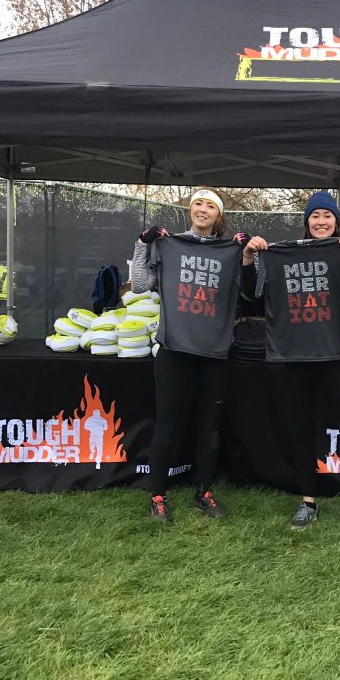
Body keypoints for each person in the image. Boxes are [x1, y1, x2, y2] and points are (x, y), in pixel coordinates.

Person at [243, 191, 340, 539]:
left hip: (334, 360)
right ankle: (308, 503)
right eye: (315, 216)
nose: (322, 221)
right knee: (302, 434)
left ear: (337, 222)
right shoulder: (281, 255)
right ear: (307, 222)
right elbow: (250, 298)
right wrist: (250, 257)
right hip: (295, 359)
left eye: (328, 216)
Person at [132, 190, 247, 523]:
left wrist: (249, 253)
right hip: (174, 349)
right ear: (189, 210)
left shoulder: (230, 251)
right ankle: (157, 497)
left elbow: (251, 290)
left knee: (209, 427)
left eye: (211, 205)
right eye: (198, 203)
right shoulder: (169, 245)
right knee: (167, 425)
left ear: (219, 216)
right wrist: (142, 242)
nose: (203, 209)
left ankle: (204, 493)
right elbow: (139, 284)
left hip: (214, 352)